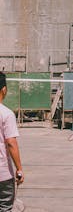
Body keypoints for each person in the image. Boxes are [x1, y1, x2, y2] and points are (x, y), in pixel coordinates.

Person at [0, 72, 24, 212]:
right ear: (4, 89)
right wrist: (19, 168)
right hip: (2, 175)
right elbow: (11, 143)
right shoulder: (6, 113)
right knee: (5, 208)